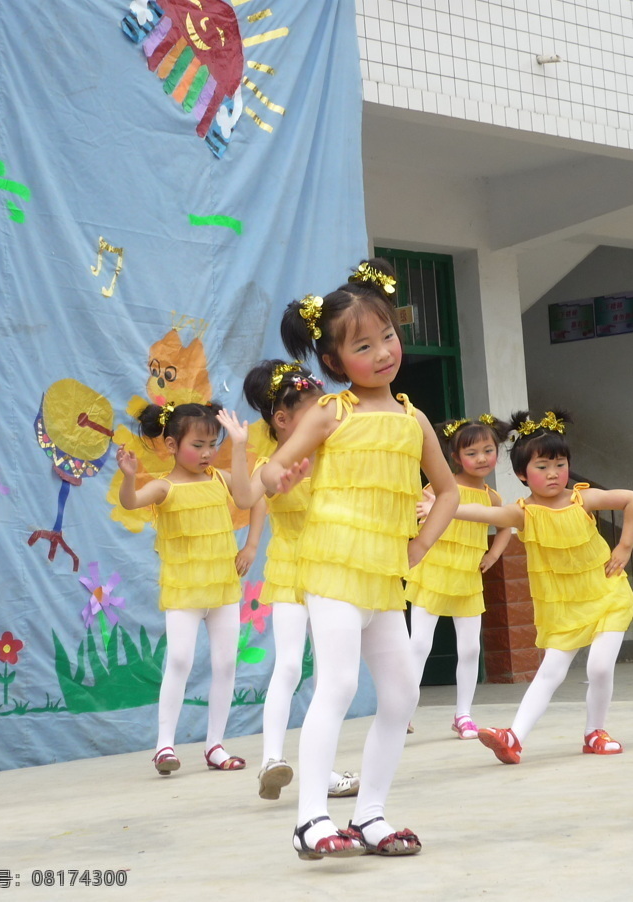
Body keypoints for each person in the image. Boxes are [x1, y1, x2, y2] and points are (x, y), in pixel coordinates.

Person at [259, 259, 459, 860]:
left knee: (401, 695)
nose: (382, 353)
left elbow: (447, 492)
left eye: (388, 337)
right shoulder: (328, 412)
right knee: (340, 682)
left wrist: (421, 545)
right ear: (332, 362)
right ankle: (311, 819)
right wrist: (281, 473)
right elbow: (270, 473)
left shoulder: (413, 417)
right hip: (332, 564)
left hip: (383, 575)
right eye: (363, 346)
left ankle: (369, 814)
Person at [456, 410, 633, 764]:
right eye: (542, 467)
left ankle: (594, 732)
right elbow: (483, 515)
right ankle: (514, 737)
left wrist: (625, 547)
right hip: (562, 603)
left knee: (599, 667)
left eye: (559, 463)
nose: (553, 473)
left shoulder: (581, 499)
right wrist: (441, 506)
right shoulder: (523, 513)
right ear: (522, 474)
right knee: (550, 670)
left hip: (607, 592)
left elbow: (632, 499)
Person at [216, 363, 360, 802]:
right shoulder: (272, 464)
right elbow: (249, 495)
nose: (325, 414)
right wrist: (238, 448)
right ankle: (272, 760)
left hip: (333, 565)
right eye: (314, 407)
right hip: (292, 567)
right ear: (281, 419)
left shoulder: (335, 450)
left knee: (331, 675)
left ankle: (323, 770)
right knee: (292, 666)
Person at [117, 401, 250, 776]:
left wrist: (251, 545)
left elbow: (250, 498)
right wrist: (129, 476)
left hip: (223, 586)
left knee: (226, 664)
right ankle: (164, 746)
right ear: (173, 445)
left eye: (213, 444)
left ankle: (215, 746)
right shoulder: (164, 487)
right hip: (184, 589)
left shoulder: (221, 479)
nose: (207, 453)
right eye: (198, 445)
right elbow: (130, 502)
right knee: (179, 660)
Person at [408, 415, 512, 740]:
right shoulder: (438, 490)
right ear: (455, 457)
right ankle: (403, 712)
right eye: (472, 453)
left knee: (469, 649)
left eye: (488, 450)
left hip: (468, 577)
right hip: (434, 571)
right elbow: (413, 519)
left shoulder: (492, 497)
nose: (481, 458)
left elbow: (507, 522)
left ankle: (463, 714)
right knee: (419, 645)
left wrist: (494, 554)